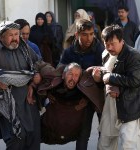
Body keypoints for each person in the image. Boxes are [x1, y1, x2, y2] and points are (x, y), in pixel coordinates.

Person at [0, 21, 41, 150]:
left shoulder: (25, 49)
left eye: (16, 34)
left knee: (32, 139)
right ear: (1, 37)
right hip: (5, 104)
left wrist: (34, 80)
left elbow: (38, 65)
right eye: (10, 35)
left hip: (26, 101)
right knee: (16, 139)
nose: (15, 38)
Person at [30, 62, 104, 145]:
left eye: (76, 75)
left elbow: (102, 78)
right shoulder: (54, 75)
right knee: (32, 137)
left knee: (84, 132)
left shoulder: (84, 85)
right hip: (50, 126)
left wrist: (97, 78)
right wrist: (33, 83)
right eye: (70, 74)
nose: (73, 78)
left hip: (72, 129)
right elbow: (39, 64)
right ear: (64, 74)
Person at [93, 24, 140, 150]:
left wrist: (111, 78)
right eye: (106, 44)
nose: (109, 47)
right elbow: (106, 73)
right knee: (105, 144)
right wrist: (99, 76)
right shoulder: (106, 53)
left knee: (128, 145)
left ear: (121, 40)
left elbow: (135, 80)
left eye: (112, 44)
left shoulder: (133, 55)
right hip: (110, 106)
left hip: (128, 106)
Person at [60, 19, 104, 150]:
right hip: (81, 98)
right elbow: (61, 70)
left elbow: (106, 73)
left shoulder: (100, 50)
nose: (89, 38)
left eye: (91, 34)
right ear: (77, 35)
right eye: (85, 34)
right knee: (83, 135)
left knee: (104, 133)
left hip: (99, 97)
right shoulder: (69, 52)